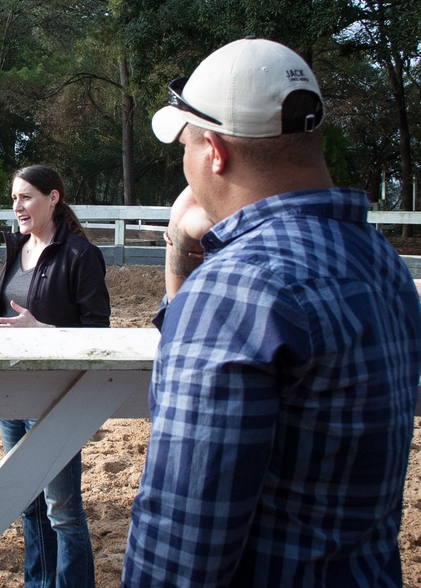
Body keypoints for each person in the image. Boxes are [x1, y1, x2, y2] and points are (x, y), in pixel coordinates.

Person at [122, 38, 421, 586]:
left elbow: (184, 540)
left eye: (185, 146)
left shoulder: (237, 288)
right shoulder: (383, 264)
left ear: (214, 150)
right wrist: (182, 250)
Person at [0, 164, 110, 588]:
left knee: (64, 511)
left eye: (26, 197)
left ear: (53, 198)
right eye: (14, 198)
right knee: (28, 502)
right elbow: (8, 314)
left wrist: (43, 332)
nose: (17, 206)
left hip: (56, 397)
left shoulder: (80, 256)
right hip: (13, 396)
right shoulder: (18, 249)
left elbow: (99, 332)